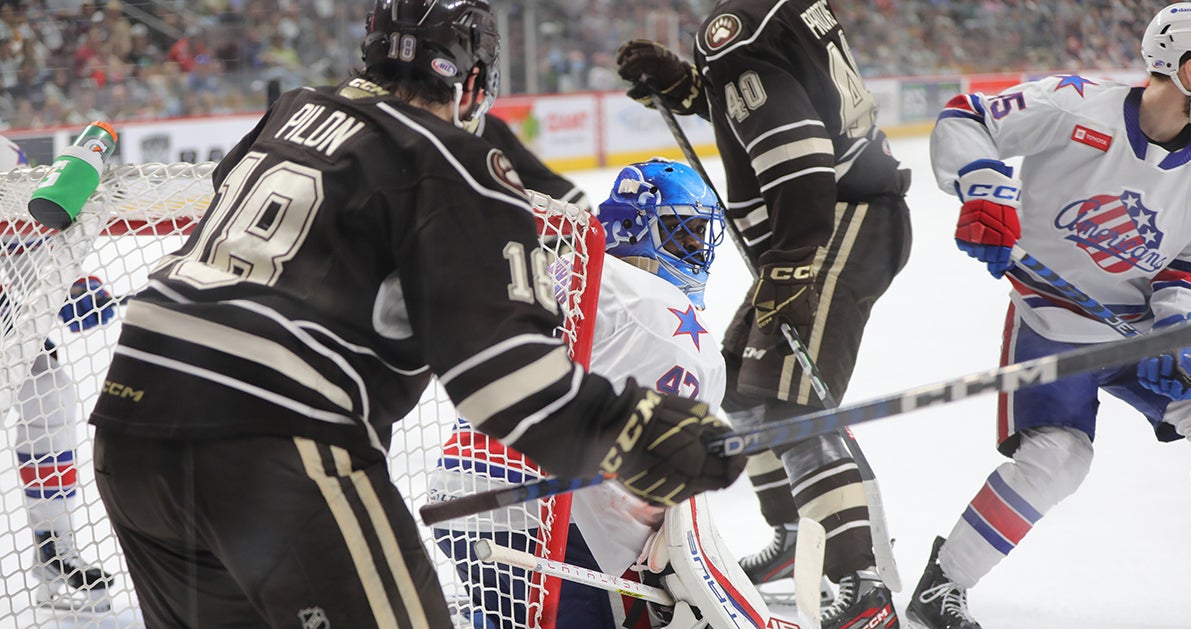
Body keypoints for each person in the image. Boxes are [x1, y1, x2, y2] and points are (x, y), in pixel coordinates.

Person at [84, 1, 746, 627]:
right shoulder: (456, 161)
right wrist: (633, 429)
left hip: (129, 430)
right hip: (272, 441)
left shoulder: (290, 110)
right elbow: (502, 378)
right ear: (472, 79)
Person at [615, 1, 912, 626]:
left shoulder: (738, 23)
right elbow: (779, 101)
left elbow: (799, 153)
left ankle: (862, 585)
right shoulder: (782, 10)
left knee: (791, 399)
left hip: (833, 221)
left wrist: (792, 266)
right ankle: (793, 538)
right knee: (742, 385)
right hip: (839, 218)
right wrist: (689, 88)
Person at [905, 5, 1191, 628]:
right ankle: (943, 584)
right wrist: (982, 187)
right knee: (1060, 457)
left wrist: (1180, 329)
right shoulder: (1074, 106)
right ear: (1189, 71)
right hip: (1053, 322)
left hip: (1144, 329)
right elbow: (967, 117)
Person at [433, 158, 776, 629]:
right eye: (683, 232)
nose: (697, 249)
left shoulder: (567, 268)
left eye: (701, 234)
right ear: (636, 228)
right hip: (534, 517)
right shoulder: (663, 314)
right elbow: (653, 475)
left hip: (463, 486)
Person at [0, 136, 118, 611]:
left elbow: (26, 248)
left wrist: (69, 291)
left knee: (47, 387)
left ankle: (54, 549)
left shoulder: (5, 156)